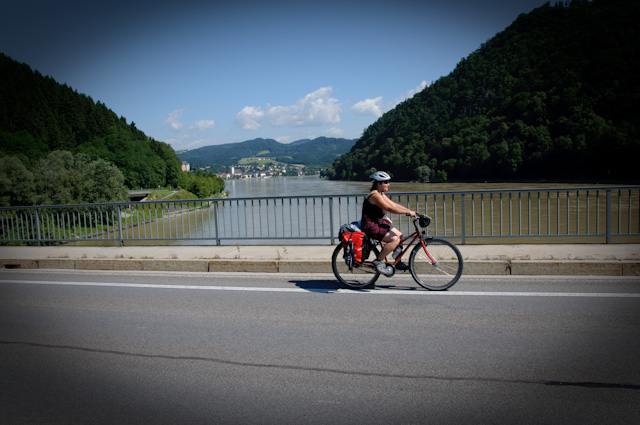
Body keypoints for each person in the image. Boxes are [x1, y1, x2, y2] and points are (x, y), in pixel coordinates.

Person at [361, 171, 418, 275]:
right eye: (386, 182)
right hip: (371, 225)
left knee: (400, 236)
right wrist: (407, 212)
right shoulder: (374, 195)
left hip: (377, 222)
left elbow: (394, 205)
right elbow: (389, 208)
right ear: (379, 183)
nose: (388, 184)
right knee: (394, 239)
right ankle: (378, 261)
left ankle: (397, 262)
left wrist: (410, 211)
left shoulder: (380, 193)